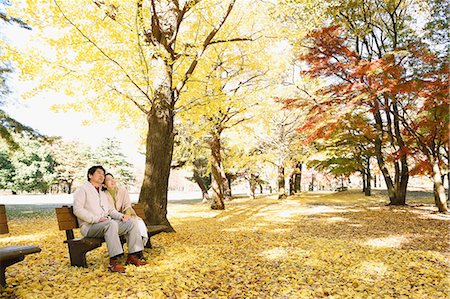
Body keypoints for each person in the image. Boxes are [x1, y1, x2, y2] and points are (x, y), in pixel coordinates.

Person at [73, 165, 147, 273]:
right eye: (98, 173)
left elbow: (110, 210)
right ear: (90, 175)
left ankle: (132, 256)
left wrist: (121, 216)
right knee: (111, 224)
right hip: (89, 227)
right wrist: (96, 219)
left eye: (103, 174)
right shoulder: (82, 190)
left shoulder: (101, 193)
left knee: (131, 222)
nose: (102, 176)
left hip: (105, 224)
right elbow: (77, 210)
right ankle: (114, 262)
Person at [103, 173, 149, 248]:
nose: (112, 181)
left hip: (126, 216)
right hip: (114, 220)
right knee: (129, 225)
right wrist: (122, 217)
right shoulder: (103, 195)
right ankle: (135, 252)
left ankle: (137, 252)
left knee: (136, 223)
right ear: (104, 185)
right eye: (108, 180)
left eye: (112, 178)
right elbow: (109, 211)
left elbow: (127, 205)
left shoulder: (122, 191)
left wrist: (127, 216)